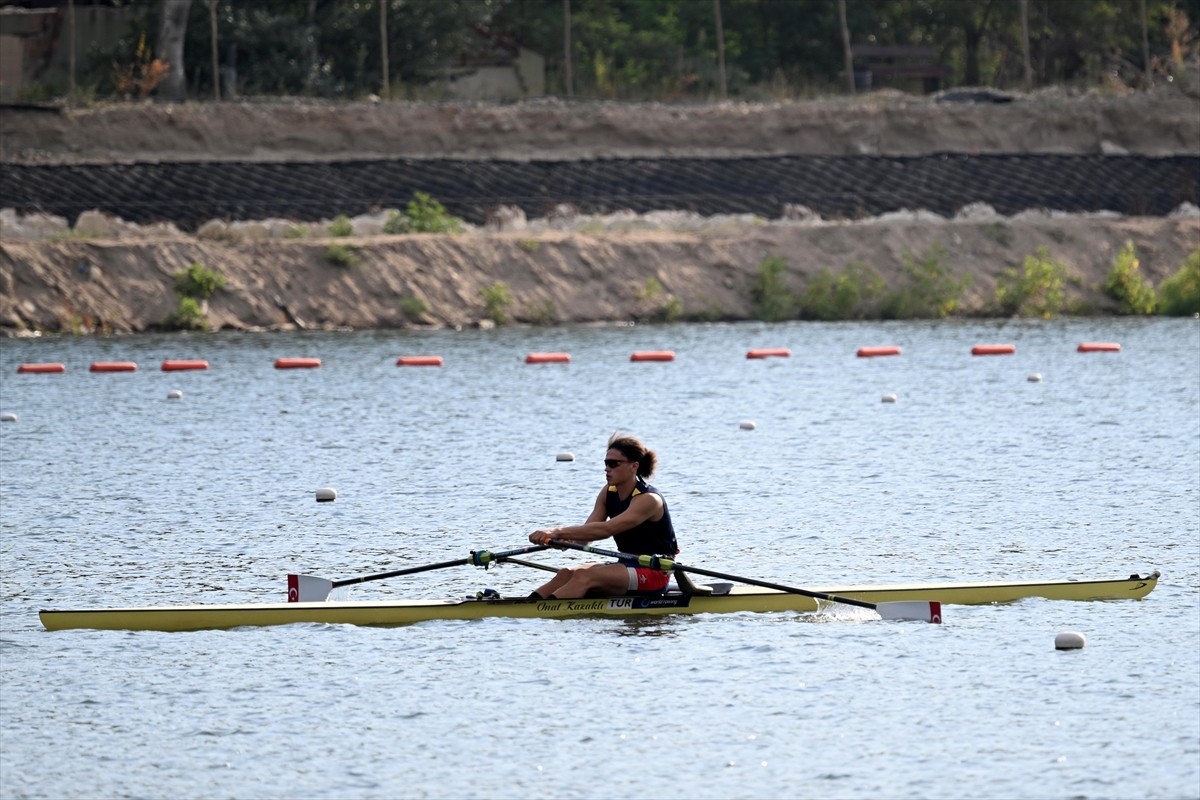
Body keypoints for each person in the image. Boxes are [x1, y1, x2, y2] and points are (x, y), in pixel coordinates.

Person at [527, 434, 678, 600]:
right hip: (625, 564)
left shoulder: (649, 499)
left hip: (654, 572)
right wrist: (564, 541)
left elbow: (607, 529)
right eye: (606, 463)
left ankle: (543, 613)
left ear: (634, 466)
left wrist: (558, 532)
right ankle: (527, 610)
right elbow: (587, 535)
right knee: (566, 573)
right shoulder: (608, 492)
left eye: (613, 464)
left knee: (584, 576)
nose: (607, 468)